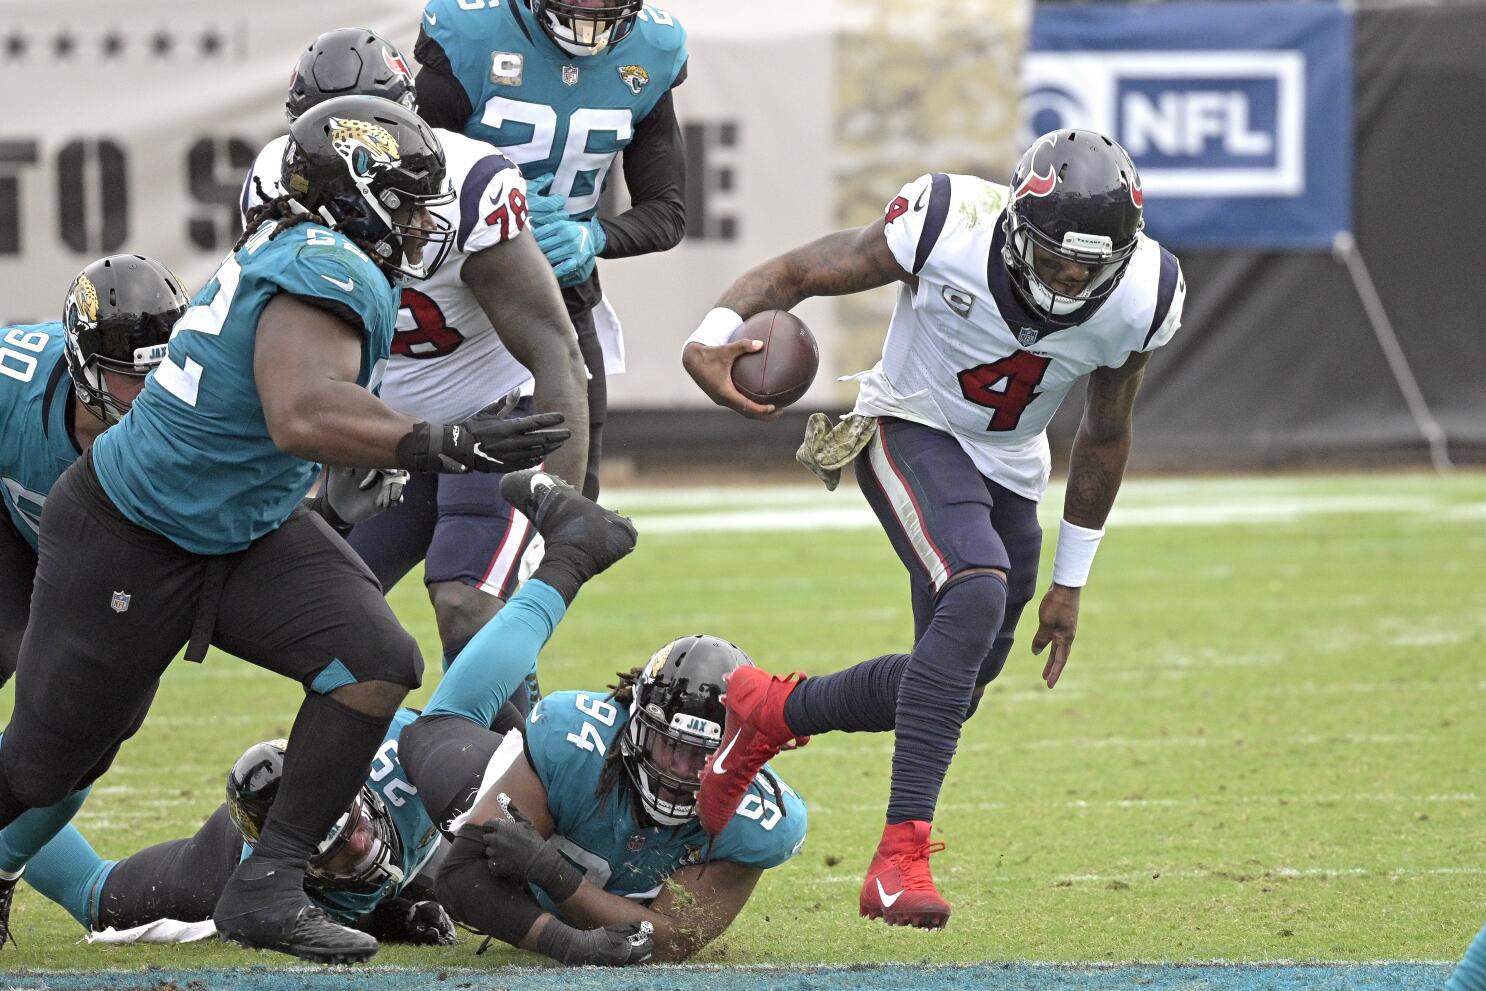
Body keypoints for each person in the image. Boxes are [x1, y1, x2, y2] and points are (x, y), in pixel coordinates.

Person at [0, 94, 570, 963]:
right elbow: (300, 411)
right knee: (47, 767)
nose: (425, 221)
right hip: (133, 528)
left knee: (376, 660)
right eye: (410, 199)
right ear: (361, 195)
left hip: (241, 527)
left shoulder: (314, 251)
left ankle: (268, 883)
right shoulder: (325, 262)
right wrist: (438, 441)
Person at [683, 130, 1186, 929]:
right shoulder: (949, 220)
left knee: (952, 686)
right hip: (908, 421)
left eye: (1088, 266)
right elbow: (801, 271)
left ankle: (770, 710)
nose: (1068, 277)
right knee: (976, 588)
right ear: (1019, 226)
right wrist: (711, 335)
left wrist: (1070, 579)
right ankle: (897, 858)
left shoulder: (1147, 291)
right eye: (1055, 257)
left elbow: (1104, 435)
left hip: (1012, 460)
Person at [243, 28, 590, 686]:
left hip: (490, 416)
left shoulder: (468, 184)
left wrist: (554, 505)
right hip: (381, 427)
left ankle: (512, 775)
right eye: (326, 139)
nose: (348, 164)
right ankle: (341, 785)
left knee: (470, 607)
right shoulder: (275, 182)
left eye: (368, 136)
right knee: (324, 620)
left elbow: (555, 350)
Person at [397, 468, 808, 965]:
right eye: (670, 744)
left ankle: (572, 552)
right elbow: (463, 878)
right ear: (633, 726)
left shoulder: (757, 819)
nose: (681, 770)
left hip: (554, 857)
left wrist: (554, 873)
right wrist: (568, 942)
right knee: (435, 729)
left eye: (704, 753)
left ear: (738, 752)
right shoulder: (577, 740)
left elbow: (674, 939)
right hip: (543, 783)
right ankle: (570, 557)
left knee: (476, 712)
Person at [414, 0, 691, 501]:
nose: (593, 9)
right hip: (454, 297)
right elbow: (408, 186)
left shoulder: (654, 48)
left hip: (560, 294)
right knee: (399, 502)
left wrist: (594, 237)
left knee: (567, 508)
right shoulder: (471, 32)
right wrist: (493, 213)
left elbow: (667, 212)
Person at [0, 255, 187, 942]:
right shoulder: (10, 381)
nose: (145, 394)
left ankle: (5, 867)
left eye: (158, 374)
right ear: (80, 363)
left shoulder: (197, 409)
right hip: (9, 530)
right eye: (127, 376)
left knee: (93, 718)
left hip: (100, 561)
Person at [8, 714, 456, 948]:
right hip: (233, 866)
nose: (361, 845)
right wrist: (392, 917)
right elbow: (320, 924)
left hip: (391, 831)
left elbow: (478, 723)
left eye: (352, 824)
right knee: (97, 898)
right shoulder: (264, 883)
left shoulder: (397, 746)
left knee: (463, 880)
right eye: (336, 850)